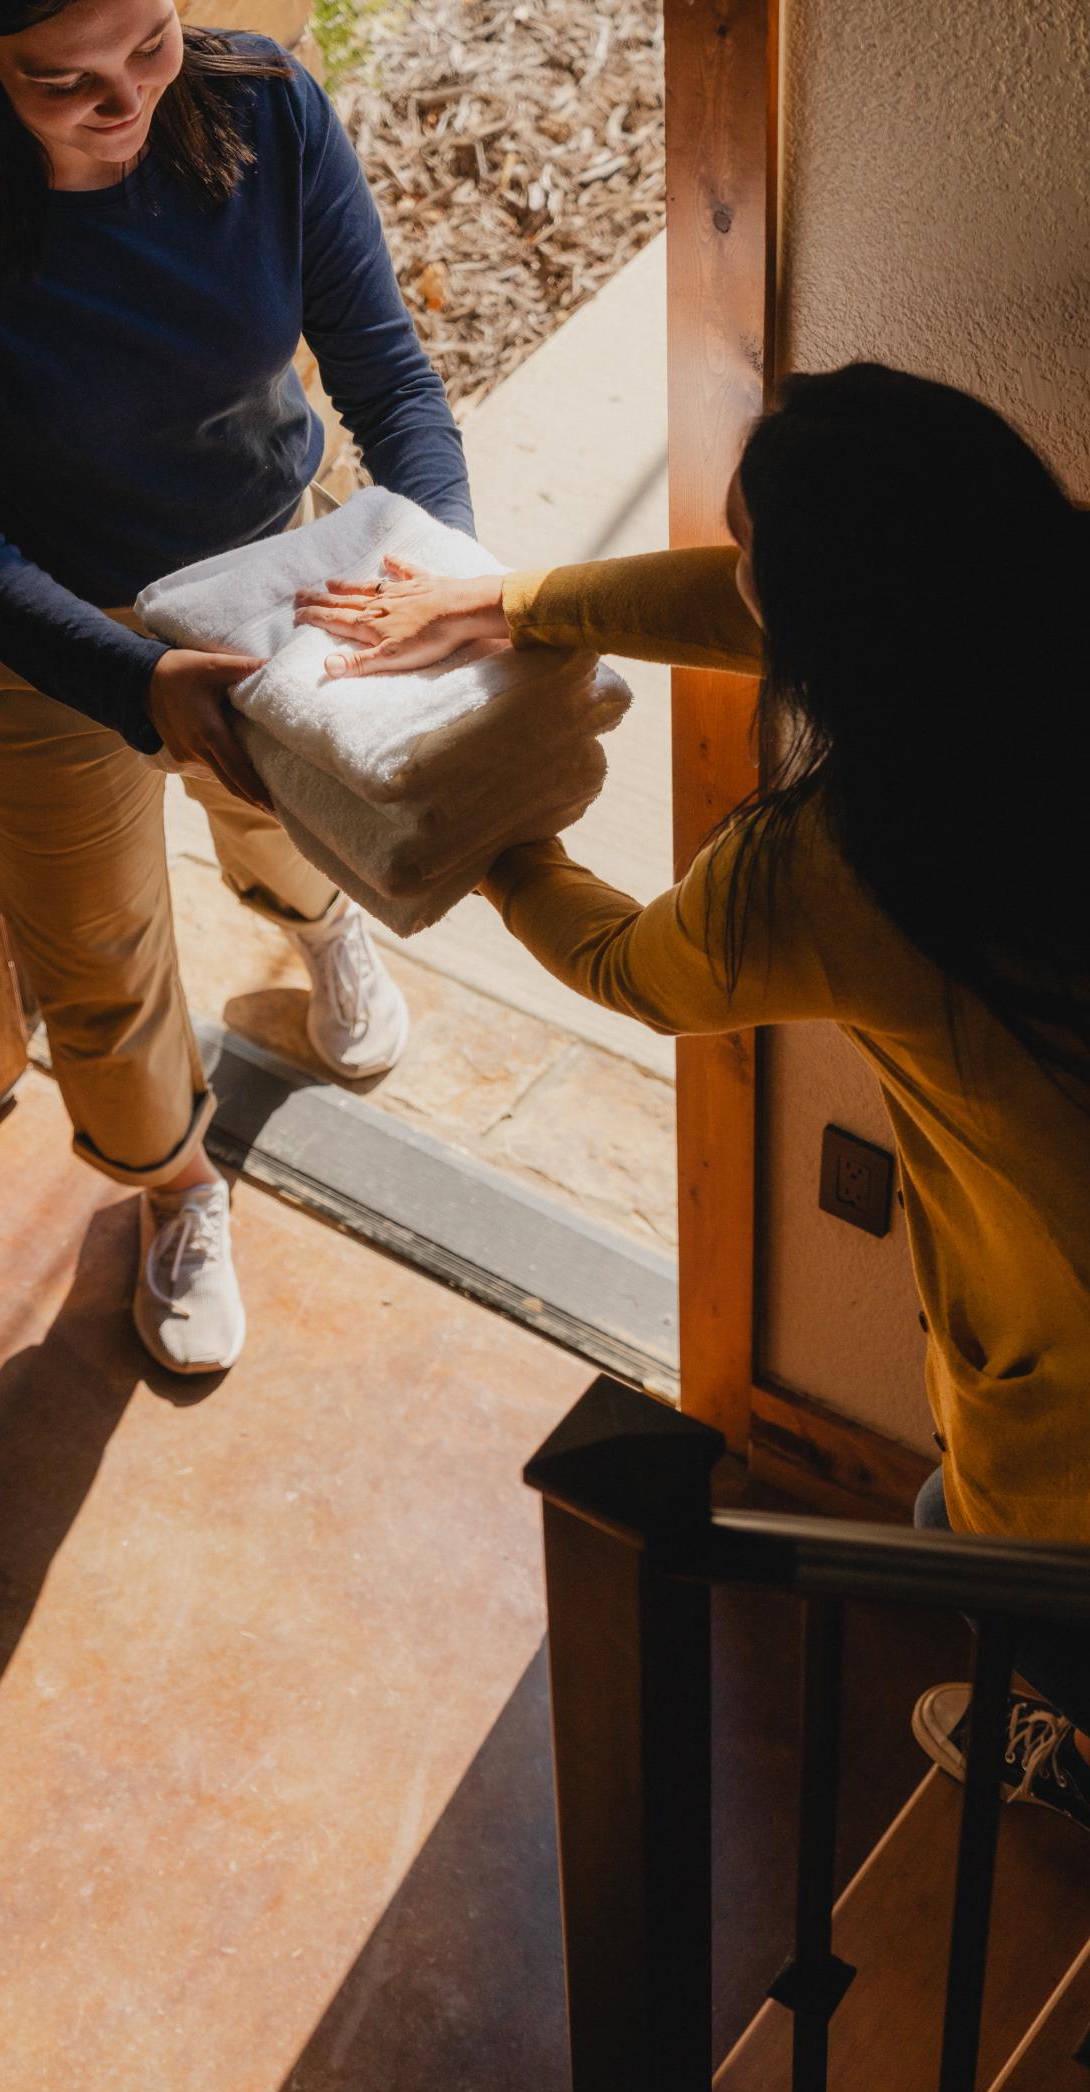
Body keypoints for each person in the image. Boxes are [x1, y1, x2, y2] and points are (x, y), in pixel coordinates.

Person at [294, 361, 1090, 1830]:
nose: (738, 587)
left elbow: (625, 966)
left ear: (828, 634)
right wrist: (517, 605)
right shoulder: (1039, 603)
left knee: (982, 1561)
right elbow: (790, 603)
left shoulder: (842, 870)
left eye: (752, 561)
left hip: (1076, 1421)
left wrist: (481, 819)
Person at [0, 0, 472, 1373]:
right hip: (30, 631)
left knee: (295, 822)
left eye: (151, 44)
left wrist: (443, 568)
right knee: (96, 956)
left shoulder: (266, 107)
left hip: (267, 567)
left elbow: (390, 378)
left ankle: (318, 928)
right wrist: (137, 677)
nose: (124, 103)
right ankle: (177, 1184)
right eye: (67, 80)